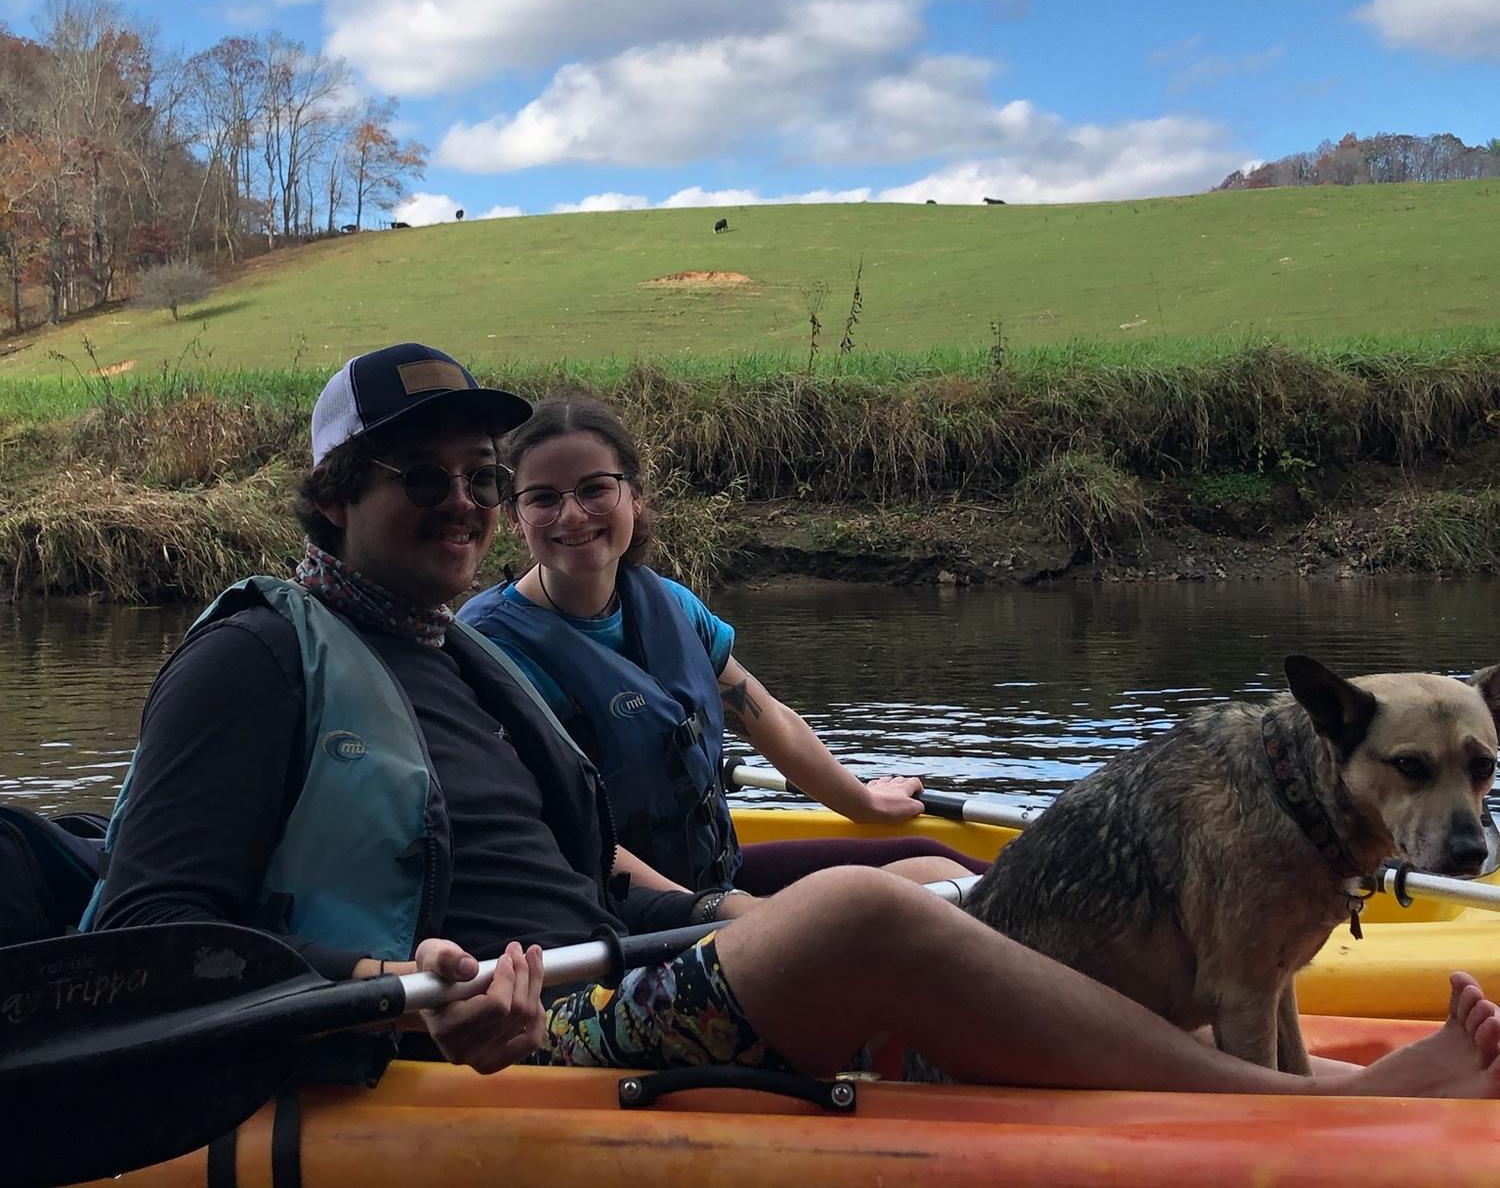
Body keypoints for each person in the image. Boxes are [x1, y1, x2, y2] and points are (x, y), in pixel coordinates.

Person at [86, 342, 1500, 1098]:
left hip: (620, 963)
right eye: (419, 476)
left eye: (475, 473)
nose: (463, 501)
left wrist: (716, 913)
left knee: (919, 888)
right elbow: (149, 944)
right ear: (331, 499)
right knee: (870, 922)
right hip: (490, 1043)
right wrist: (392, 982)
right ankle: (1294, 1111)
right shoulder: (261, 657)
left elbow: (597, 871)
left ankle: (1136, 1047)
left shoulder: (456, 657)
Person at [457, 394, 984, 895]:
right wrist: (722, 914)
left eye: (595, 489)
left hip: (712, 882)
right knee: (894, 898)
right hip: (616, 914)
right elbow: (555, 830)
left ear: (634, 497)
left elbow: (763, 715)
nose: (572, 515)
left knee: (938, 866)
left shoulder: (672, 607)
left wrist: (864, 802)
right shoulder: (491, 646)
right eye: (543, 498)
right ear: (512, 516)